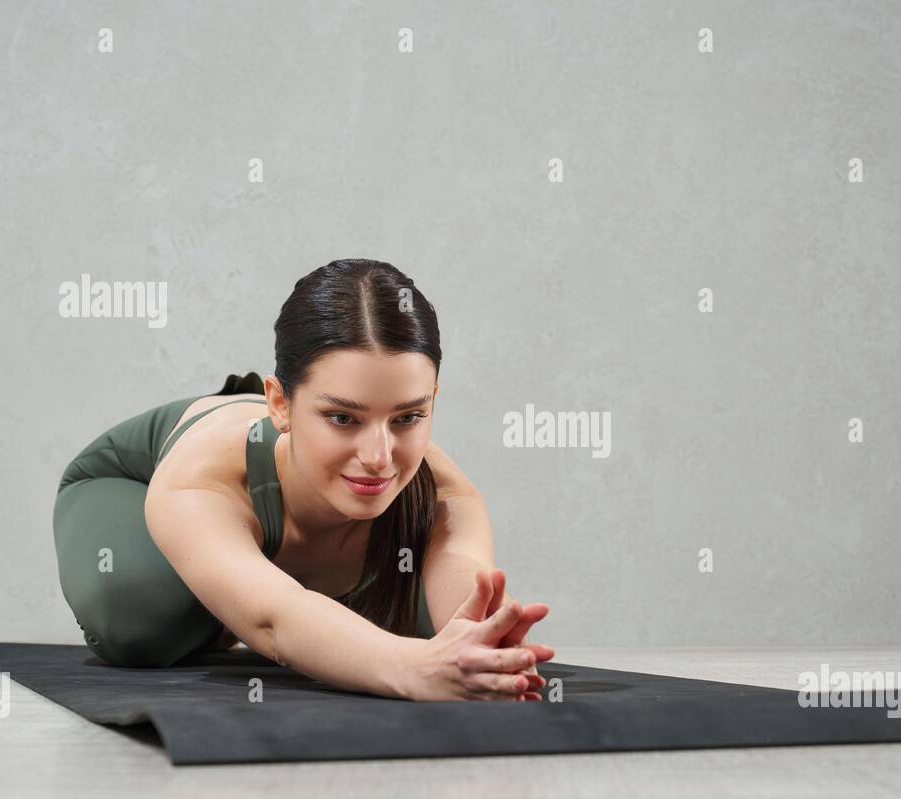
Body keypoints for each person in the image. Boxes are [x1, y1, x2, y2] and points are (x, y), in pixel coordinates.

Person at [52, 258, 553, 701]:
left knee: (413, 624)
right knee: (143, 620)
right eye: (342, 418)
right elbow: (273, 620)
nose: (379, 458)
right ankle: (222, 596)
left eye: (407, 417)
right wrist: (412, 670)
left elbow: (462, 580)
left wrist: (486, 643)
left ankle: (249, 582)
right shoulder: (202, 475)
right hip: (133, 481)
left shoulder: (442, 490)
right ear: (280, 404)